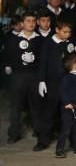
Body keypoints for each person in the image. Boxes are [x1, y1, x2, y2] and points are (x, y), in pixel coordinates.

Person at [34, 19, 75, 151]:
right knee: (49, 112)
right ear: (57, 30)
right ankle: (43, 140)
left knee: (70, 112)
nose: (68, 34)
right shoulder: (48, 43)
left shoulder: (69, 44)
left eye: (69, 32)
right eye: (65, 32)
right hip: (52, 82)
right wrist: (41, 80)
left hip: (67, 82)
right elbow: (43, 63)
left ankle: (74, 141)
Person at [4, 10, 42, 143]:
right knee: (16, 106)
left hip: (34, 76)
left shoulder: (40, 40)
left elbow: (44, 59)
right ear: (22, 23)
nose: (31, 24)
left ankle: (38, 131)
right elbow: (7, 56)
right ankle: (14, 133)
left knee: (36, 105)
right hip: (18, 76)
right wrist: (19, 60)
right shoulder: (13, 39)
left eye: (33, 21)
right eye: (28, 21)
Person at [55, 51, 76, 158]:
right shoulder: (67, 78)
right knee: (66, 129)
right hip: (68, 108)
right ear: (74, 64)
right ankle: (60, 149)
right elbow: (62, 91)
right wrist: (67, 102)